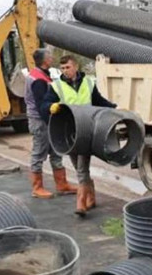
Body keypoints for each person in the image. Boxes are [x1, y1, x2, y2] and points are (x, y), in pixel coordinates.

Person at [41, 55, 117, 216]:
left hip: (86, 131)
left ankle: (81, 204)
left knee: (82, 169)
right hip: (69, 133)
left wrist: (114, 109)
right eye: (62, 68)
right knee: (79, 168)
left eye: (67, 67)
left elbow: (98, 101)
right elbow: (44, 104)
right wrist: (50, 106)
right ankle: (92, 197)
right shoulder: (56, 86)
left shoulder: (89, 82)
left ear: (76, 66)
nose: (65, 71)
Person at [26, 48, 76, 199]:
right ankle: (37, 188)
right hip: (41, 120)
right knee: (39, 152)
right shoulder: (38, 79)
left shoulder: (44, 75)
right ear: (45, 60)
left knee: (56, 151)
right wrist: (53, 122)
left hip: (48, 119)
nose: (52, 58)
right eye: (50, 56)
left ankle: (62, 185)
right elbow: (42, 106)